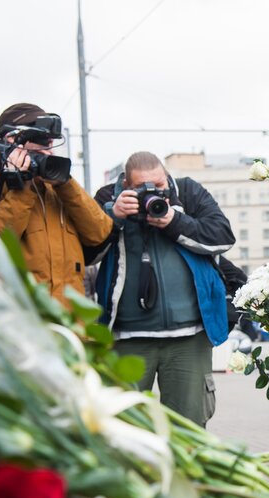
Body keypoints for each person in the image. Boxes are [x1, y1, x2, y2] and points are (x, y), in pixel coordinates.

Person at [92, 151, 234, 427]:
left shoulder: (188, 192)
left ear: (166, 175)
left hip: (188, 337)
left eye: (159, 185)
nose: (153, 193)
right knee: (125, 429)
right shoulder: (107, 197)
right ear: (126, 184)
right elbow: (86, 252)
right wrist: (114, 216)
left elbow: (222, 237)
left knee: (190, 428)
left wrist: (174, 221)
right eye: (142, 187)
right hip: (127, 337)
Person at [0, 103, 113, 304]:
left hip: (71, 320)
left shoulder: (56, 182)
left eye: (50, 141)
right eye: (41, 140)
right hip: (24, 318)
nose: (49, 149)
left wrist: (66, 185)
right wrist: (22, 185)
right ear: (12, 139)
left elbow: (100, 233)